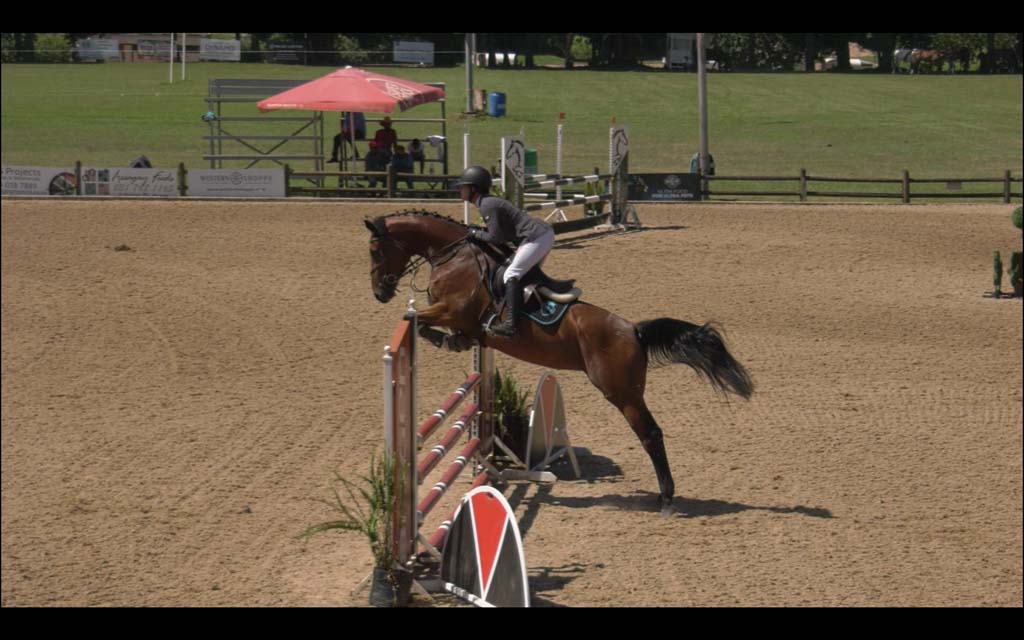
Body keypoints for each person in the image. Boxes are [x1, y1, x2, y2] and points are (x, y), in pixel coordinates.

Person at [455, 166, 555, 338]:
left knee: (511, 274)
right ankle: (528, 313)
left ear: (473, 189)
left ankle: (511, 325)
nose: (460, 190)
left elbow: (496, 238)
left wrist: (474, 233)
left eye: (463, 187)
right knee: (525, 275)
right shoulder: (487, 202)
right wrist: (477, 231)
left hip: (536, 236)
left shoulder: (486, 204)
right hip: (542, 234)